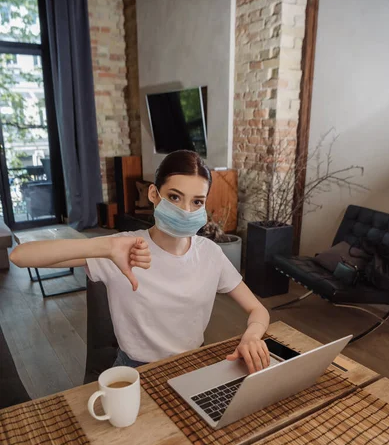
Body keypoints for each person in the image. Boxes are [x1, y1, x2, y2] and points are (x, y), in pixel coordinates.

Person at [10, 150, 271, 374]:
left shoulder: (210, 254)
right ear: (154, 194)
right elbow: (20, 256)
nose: (185, 211)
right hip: (135, 369)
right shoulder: (122, 248)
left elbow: (258, 311)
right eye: (175, 197)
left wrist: (250, 337)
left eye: (197, 202)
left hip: (193, 363)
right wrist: (105, 246)